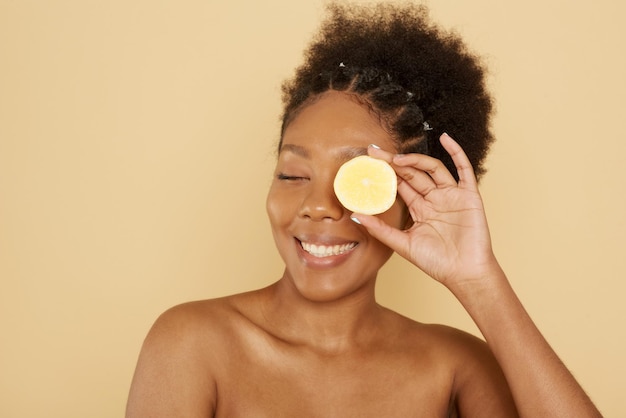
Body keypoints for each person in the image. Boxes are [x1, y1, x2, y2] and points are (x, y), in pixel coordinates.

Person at [126, 3, 602, 417]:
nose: (316, 206)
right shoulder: (192, 343)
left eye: (356, 181)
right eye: (292, 175)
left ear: (412, 204)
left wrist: (480, 281)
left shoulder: (455, 367)